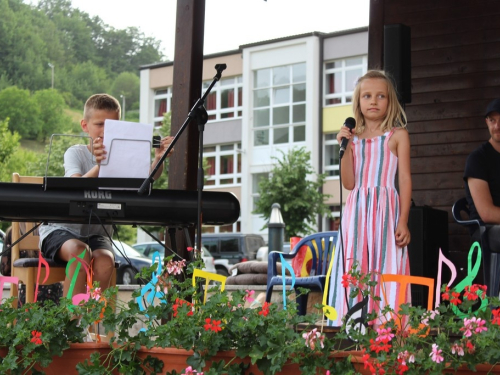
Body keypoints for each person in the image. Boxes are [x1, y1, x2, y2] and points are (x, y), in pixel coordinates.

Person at [39, 93, 173, 298]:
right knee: (81, 252)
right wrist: (100, 166)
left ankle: (93, 322)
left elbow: (145, 181)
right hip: (62, 229)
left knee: (105, 260)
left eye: (112, 125)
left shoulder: (124, 154)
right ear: (85, 126)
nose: (105, 131)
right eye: (100, 124)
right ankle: (70, 323)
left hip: (97, 233)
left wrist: (158, 159)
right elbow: (75, 185)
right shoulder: (75, 152)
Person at [327, 70, 412, 327]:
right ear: (358, 102)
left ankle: (386, 326)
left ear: (390, 101)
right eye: (367, 96)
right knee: (356, 263)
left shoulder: (398, 135)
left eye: (380, 96)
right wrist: (344, 148)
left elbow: (405, 179)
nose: (373, 101)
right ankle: (353, 325)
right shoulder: (352, 139)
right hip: (357, 212)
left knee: (385, 262)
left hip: (386, 209)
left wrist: (404, 220)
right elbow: (349, 183)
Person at [464, 98, 500, 253]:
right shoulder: (478, 158)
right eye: (492, 120)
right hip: (486, 231)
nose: (497, 126)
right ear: (487, 122)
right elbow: (487, 213)